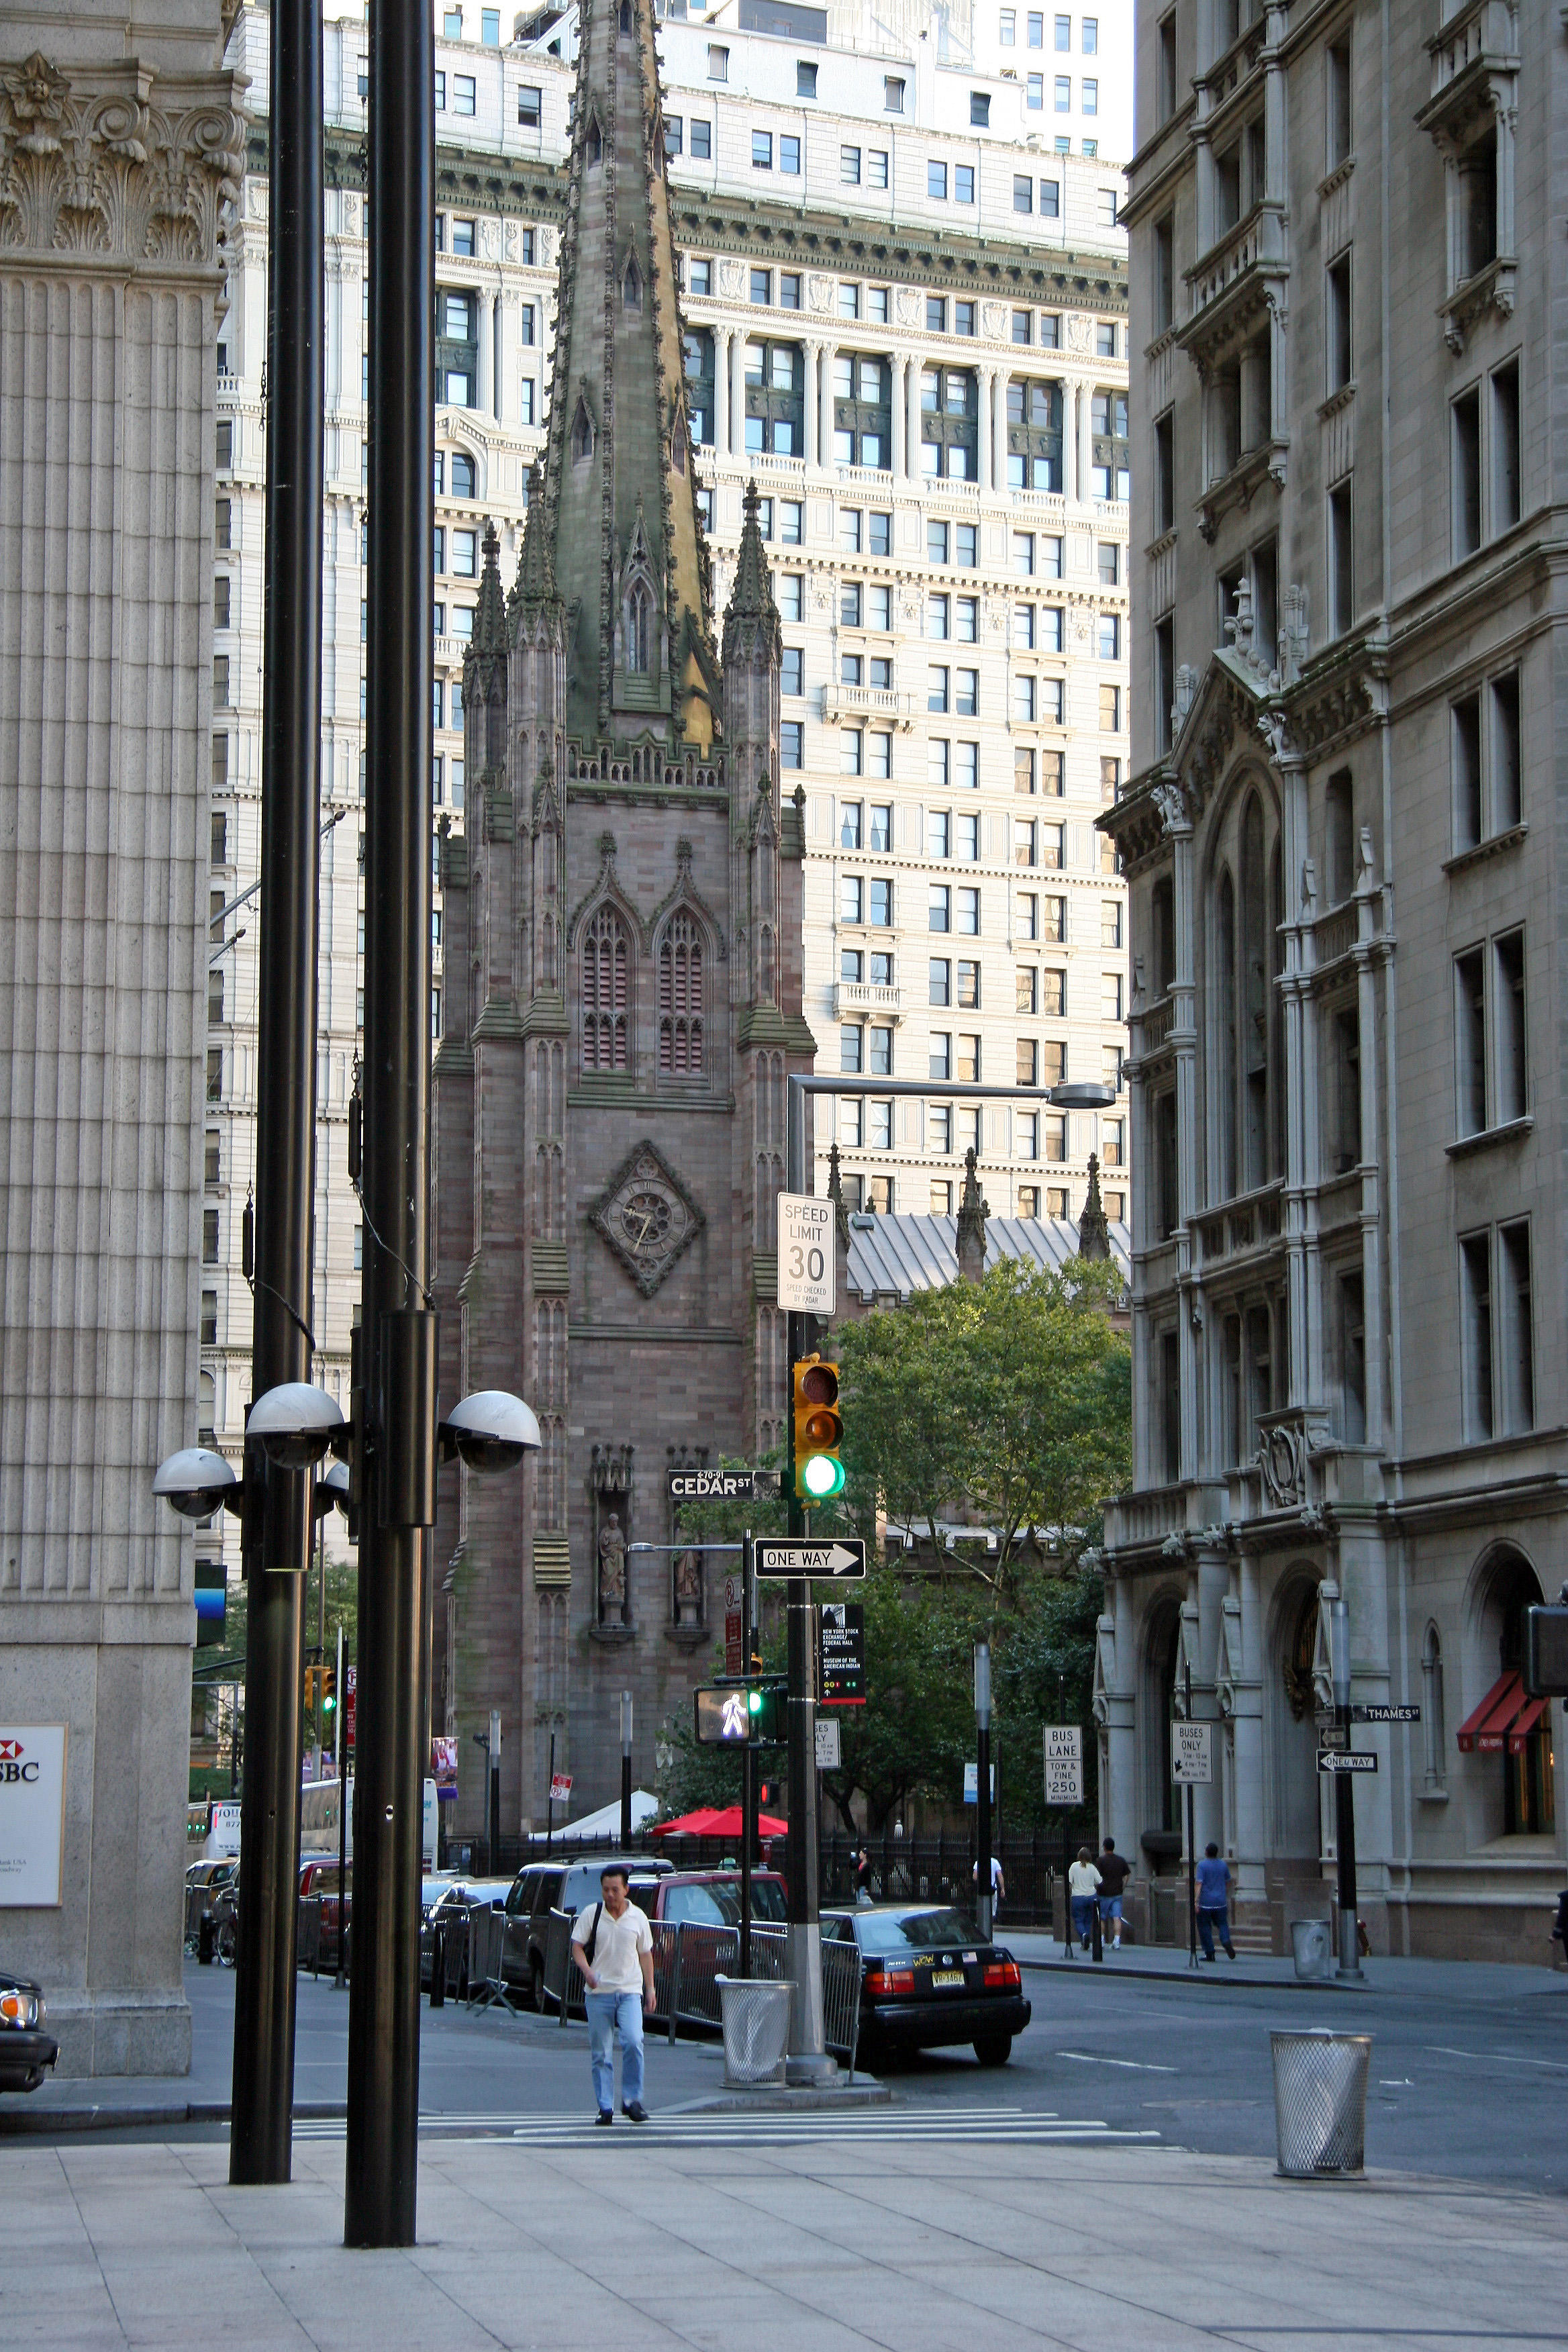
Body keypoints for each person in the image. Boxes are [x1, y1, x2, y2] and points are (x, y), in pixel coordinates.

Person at [571, 1863, 656, 2122]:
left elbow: (646, 1955)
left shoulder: (638, 1918)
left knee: (633, 2041)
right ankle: (605, 2106)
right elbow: (577, 1946)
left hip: (629, 1990)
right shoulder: (592, 1914)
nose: (610, 1895)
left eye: (615, 1890)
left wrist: (650, 1989)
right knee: (602, 2052)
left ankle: (631, 2100)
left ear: (626, 1890)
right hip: (599, 1993)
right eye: (606, 1890)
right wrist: (587, 1971)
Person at [1194, 1841, 1236, 1962]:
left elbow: (1199, 1883)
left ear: (1206, 1852)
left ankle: (1210, 1953)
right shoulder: (1223, 1864)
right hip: (1220, 1901)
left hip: (1206, 1902)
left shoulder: (1202, 1865)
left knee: (1204, 1927)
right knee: (1222, 1924)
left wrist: (1196, 1901)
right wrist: (1223, 1892)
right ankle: (1225, 1940)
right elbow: (1228, 1881)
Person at [1096, 1835, 1130, 1951]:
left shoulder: (1101, 1861)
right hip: (1117, 1893)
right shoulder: (1121, 1860)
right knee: (1117, 1917)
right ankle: (1117, 1941)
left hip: (1104, 1893)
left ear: (1104, 1847)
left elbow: (1097, 1877)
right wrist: (1123, 1886)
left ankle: (1101, 1940)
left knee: (1102, 1918)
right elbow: (1127, 1875)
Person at [1067, 1846, 1101, 1952]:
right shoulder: (1092, 1867)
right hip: (1091, 1896)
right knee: (1088, 1920)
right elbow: (1099, 1881)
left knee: (1079, 1920)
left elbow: (1070, 1882)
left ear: (1079, 1856)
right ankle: (1086, 1940)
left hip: (1078, 1896)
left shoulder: (1074, 1866)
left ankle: (1084, 1935)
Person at [973, 1851, 1005, 1919]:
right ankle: (991, 1922)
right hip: (992, 1888)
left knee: (983, 1907)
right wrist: (1002, 1889)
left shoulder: (978, 1862)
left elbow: (975, 1877)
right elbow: (1000, 1876)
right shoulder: (995, 1862)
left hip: (982, 1889)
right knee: (993, 1909)